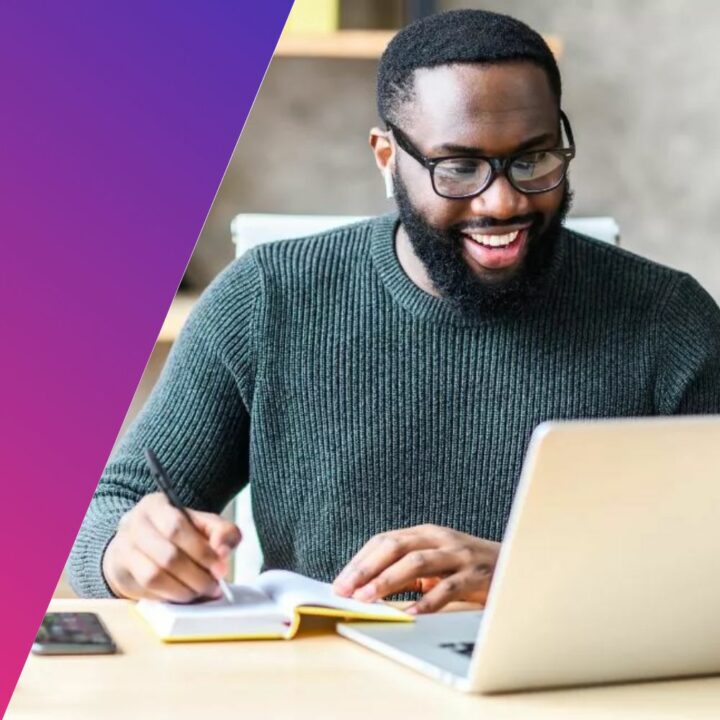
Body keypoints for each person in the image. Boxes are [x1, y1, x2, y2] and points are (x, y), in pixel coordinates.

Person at [68, 9, 720, 612]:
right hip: (322, 689)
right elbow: (110, 511)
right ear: (387, 157)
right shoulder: (266, 299)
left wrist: (526, 576)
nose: (501, 203)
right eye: (458, 168)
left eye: (533, 159)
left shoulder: (671, 320)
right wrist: (128, 555)